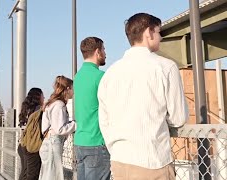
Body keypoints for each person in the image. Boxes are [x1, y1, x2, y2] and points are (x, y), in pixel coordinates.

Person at [98, 13, 189, 180]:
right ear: (149, 32)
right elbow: (179, 118)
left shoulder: (109, 74)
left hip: (119, 161)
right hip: (153, 161)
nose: (160, 37)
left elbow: (104, 121)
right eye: (159, 32)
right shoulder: (166, 67)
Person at [73, 36, 110, 180]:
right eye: (104, 49)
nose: (105, 53)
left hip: (80, 142)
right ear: (97, 52)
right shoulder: (101, 76)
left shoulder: (78, 77)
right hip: (96, 142)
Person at [39, 75, 76, 180]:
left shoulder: (52, 104)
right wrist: (76, 124)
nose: (74, 91)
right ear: (67, 89)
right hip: (53, 144)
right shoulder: (59, 105)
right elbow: (59, 128)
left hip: (48, 143)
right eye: (73, 88)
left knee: (47, 175)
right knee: (54, 176)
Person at [17, 88, 44, 180]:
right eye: (42, 95)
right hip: (32, 147)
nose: (44, 98)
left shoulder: (25, 110)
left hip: (22, 145)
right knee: (32, 175)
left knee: (24, 174)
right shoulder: (38, 111)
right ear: (38, 97)